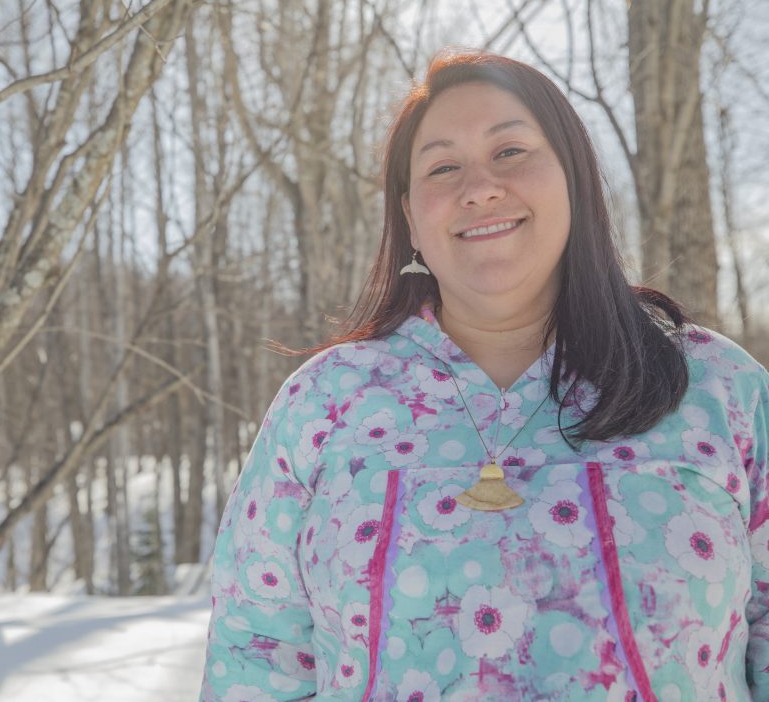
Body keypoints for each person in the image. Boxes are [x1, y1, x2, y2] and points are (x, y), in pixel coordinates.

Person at [200, 49, 768, 701]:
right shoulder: (324, 403)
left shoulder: (718, 387)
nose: (479, 188)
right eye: (443, 167)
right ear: (411, 218)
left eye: (510, 151)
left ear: (575, 180)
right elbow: (255, 658)